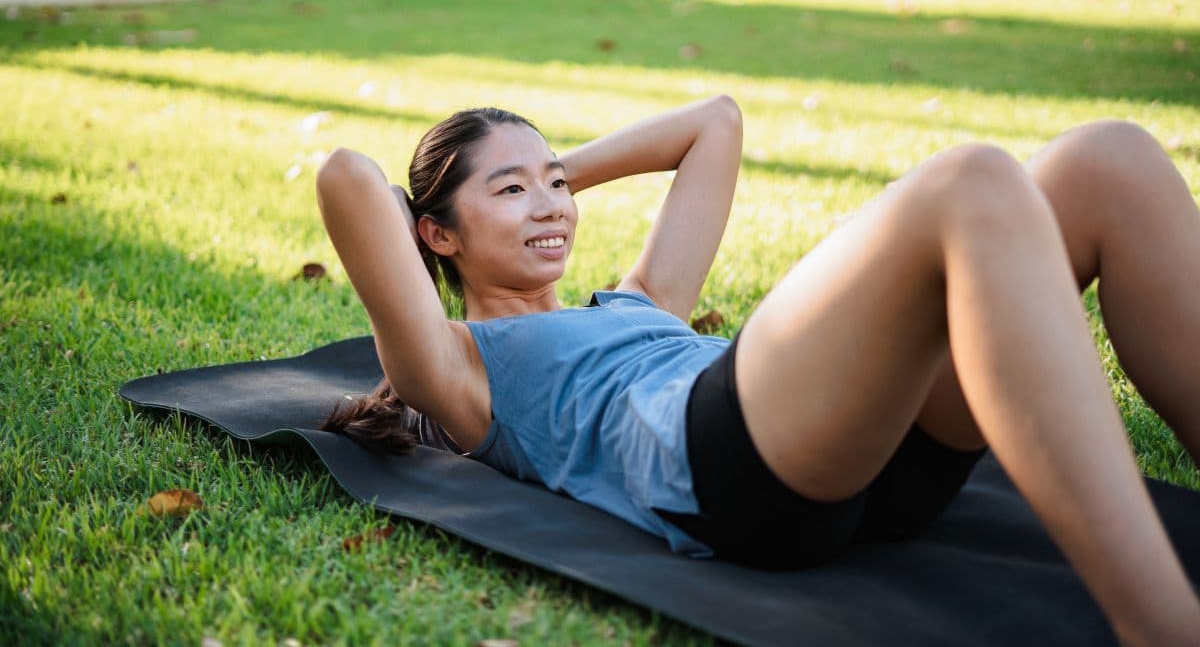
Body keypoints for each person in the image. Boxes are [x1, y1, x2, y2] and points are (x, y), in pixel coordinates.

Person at [315, 97, 1200, 645]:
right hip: (723, 467)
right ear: (433, 234)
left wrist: (542, 176)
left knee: (1107, 158)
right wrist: (434, 202)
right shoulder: (459, 370)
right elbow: (346, 176)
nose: (550, 205)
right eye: (511, 193)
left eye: (555, 188)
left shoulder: (640, 302)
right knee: (969, 181)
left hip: (860, 457)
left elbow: (716, 121)